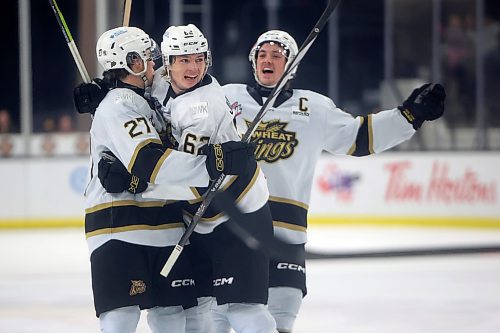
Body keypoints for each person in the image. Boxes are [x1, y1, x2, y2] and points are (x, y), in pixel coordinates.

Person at [217, 30, 446, 333]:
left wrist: (408, 116)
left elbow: (358, 137)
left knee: (280, 323)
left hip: (286, 235)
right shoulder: (225, 98)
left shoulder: (314, 108)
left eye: (276, 55)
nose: (267, 60)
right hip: (233, 232)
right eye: (261, 55)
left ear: (291, 65)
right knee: (216, 321)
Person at [84, 26, 255, 333]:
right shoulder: (118, 105)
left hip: (164, 225)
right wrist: (215, 163)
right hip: (118, 225)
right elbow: (150, 162)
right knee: (120, 317)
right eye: (149, 60)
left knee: (173, 315)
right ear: (133, 63)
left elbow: (145, 170)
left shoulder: (148, 101)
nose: (156, 67)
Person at [147, 23, 278, 333]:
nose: (194, 67)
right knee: (202, 312)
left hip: (240, 216)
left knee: (244, 311)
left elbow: (188, 176)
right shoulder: (166, 84)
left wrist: (138, 183)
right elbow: (149, 84)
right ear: (168, 64)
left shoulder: (200, 108)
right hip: (206, 219)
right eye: (184, 60)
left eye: (199, 58)